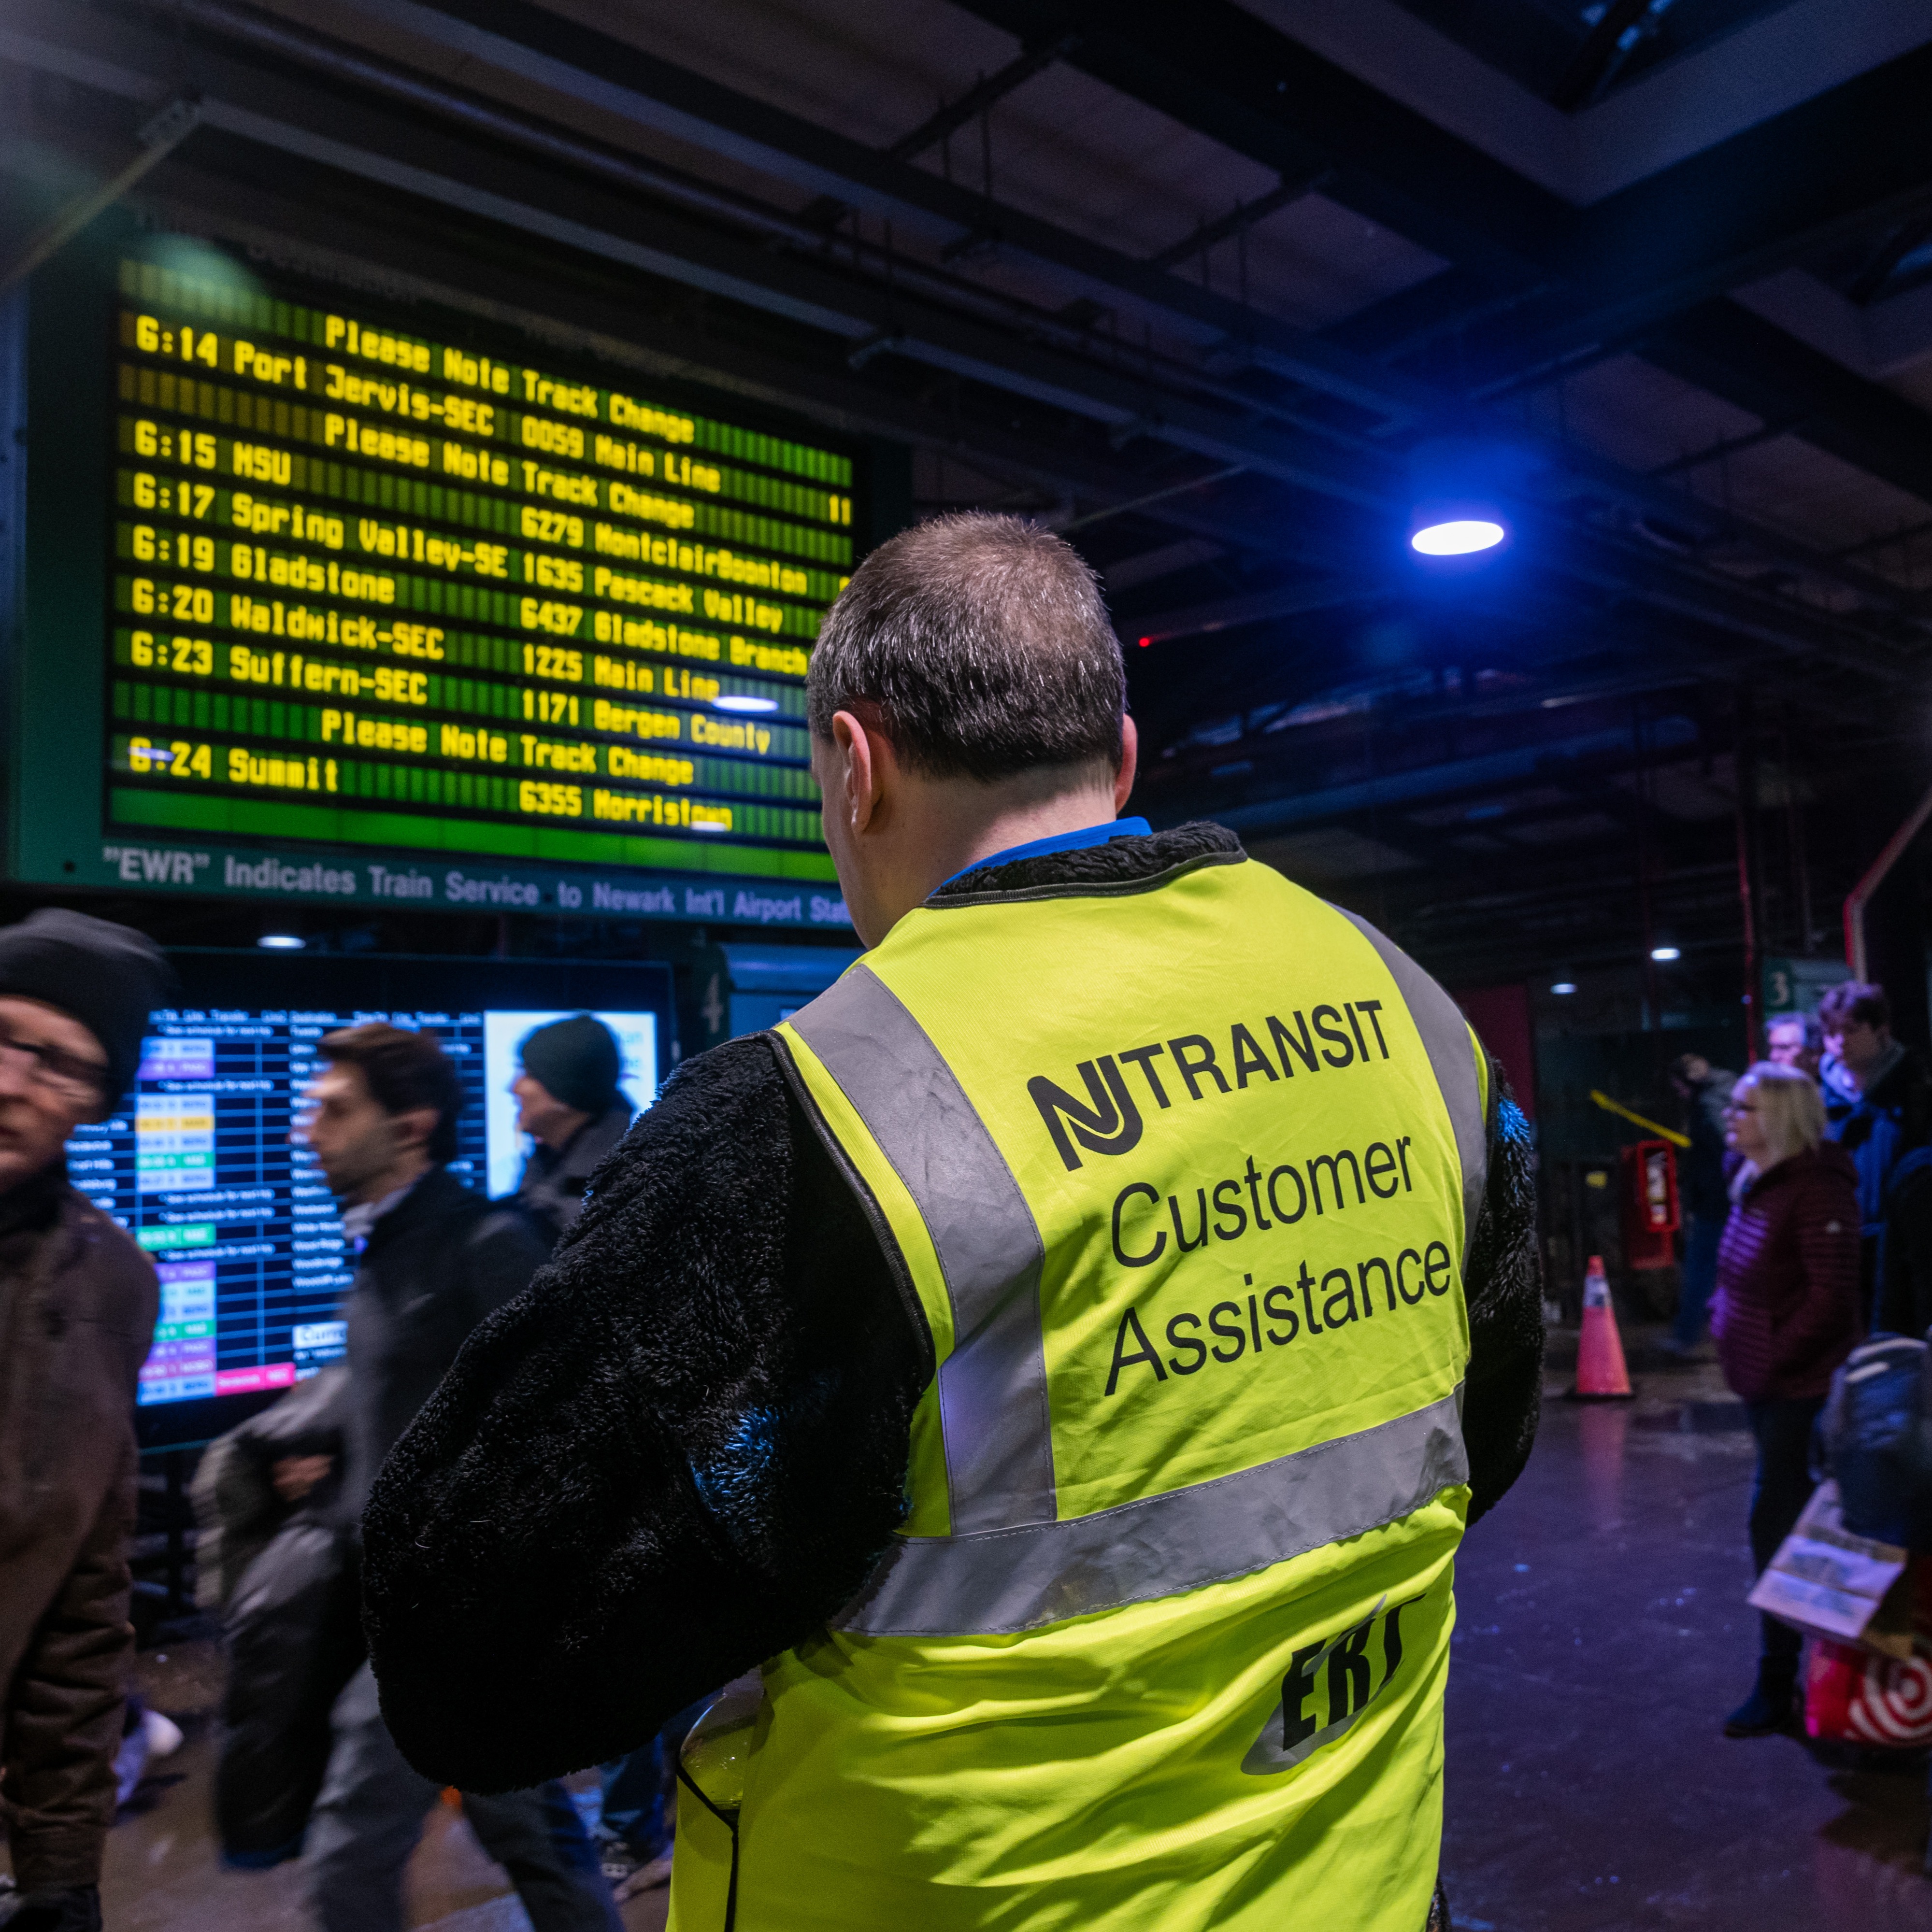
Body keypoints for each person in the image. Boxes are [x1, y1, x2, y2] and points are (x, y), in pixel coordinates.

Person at [360, 513, 1545, 1932]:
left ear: (855, 768)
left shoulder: (813, 1117)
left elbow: (468, 1659)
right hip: (1357, 1888)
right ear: (1118, 756)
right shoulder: (1410, 1011)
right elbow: (1487, 1433)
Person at [286, 1024, 619, 1932]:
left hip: (447, 1613)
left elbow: (563, 1411)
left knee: (349, 1846)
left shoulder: (484, 1244)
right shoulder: (388, 1248)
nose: (305, 1129)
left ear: (410, 1127)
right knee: (531, 1827)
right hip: (401, 1597)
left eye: (334, 1110)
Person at [0, 909, 178, 1932]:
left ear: (101, 1101)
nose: (13, 1081)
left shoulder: (111, 1284)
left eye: (59, 1062)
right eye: (2, 1035)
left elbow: (81, 1595)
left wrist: (60, 1868)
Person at [1708, 1063, 1860, 1736]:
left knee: (1774, 1526)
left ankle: (1785, 1681)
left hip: (1798, 1390)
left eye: (1743, 1107)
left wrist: (1771, 1357)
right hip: (1765, 1385)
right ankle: (1797, 1677)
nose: (1730, 1117)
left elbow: (1830, 1298)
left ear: (1777, 1116)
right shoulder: (1754, 1181)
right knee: (1776, 1524)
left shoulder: (1816, 1191)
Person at [1819, 980, 1932, 1318]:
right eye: (1831, 1032)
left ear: (1881, 1031)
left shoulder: (1914, 1092)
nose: (1840, 1041)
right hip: (1837, 1244)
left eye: (1851, 1030)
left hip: (1900, 1245)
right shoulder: (1819, 1097)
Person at [510, 1015, 634, 1241]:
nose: (514, 1088)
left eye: (528, 1075)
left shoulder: (617, 1195)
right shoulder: (550, 1162)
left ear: (565, 1096)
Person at [1665, 1052, 1737, 1356]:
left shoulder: (1708, 1106)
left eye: (1679, 1088)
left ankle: (1686, 1336)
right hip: (1728, 1199)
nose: (1679, 1094)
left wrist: (1708, 1189)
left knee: (1700, 1268)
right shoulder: (1729, 1087)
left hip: (1715, 1202)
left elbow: (1726, 1149)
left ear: (1689, 1082)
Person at [1765, 1011, 1823, 1082]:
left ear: (1814, 1052)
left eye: (1784, 1048)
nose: (1774, 1056)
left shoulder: (1835, 1091)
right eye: (1771, 1048)